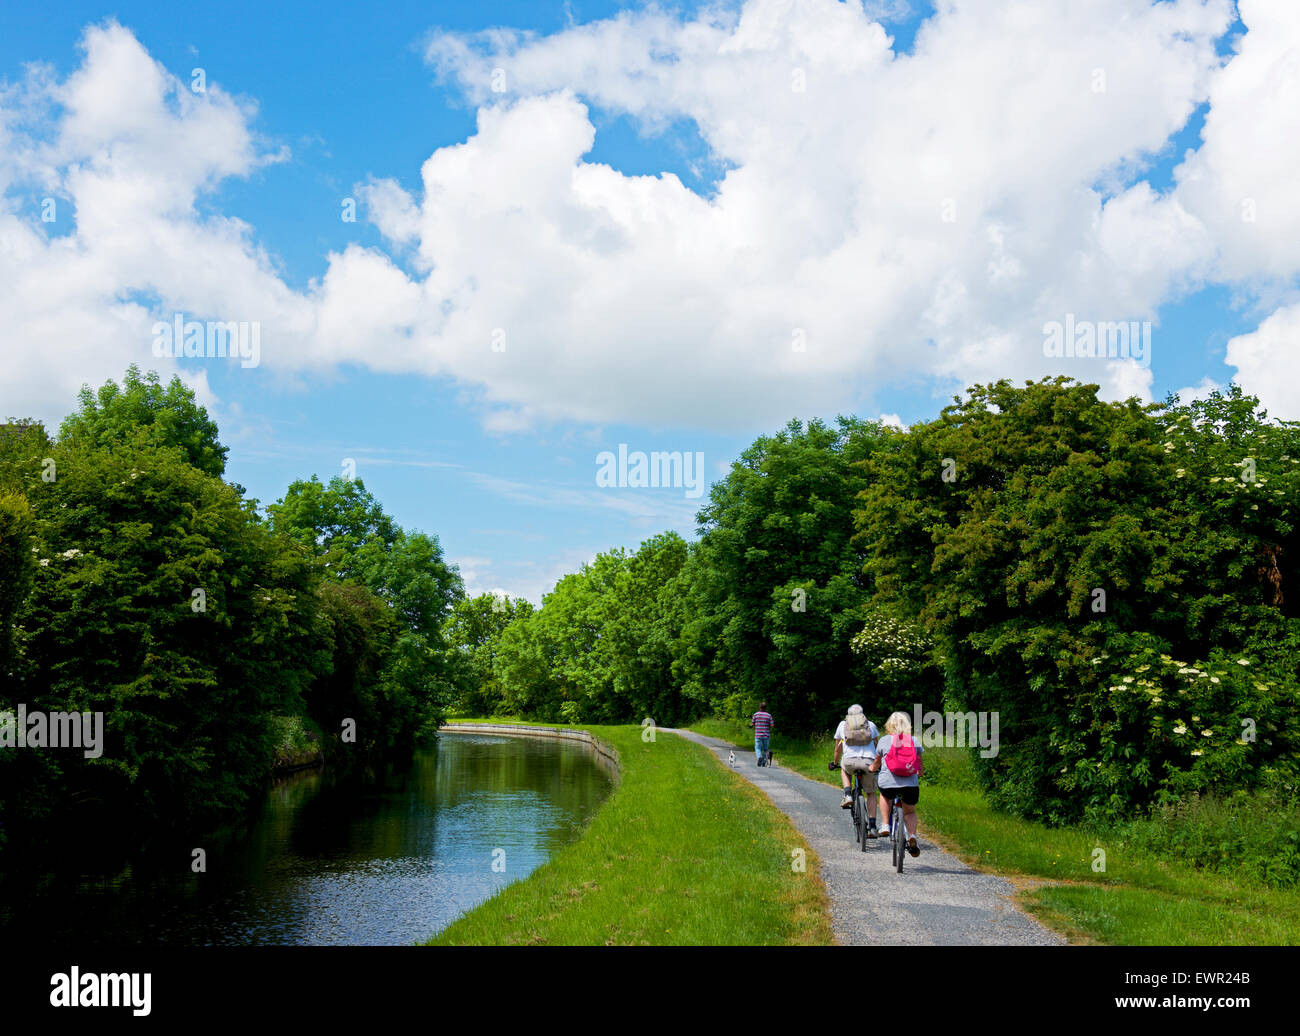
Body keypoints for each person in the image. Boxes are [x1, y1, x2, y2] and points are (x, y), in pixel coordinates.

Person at [871, 710, 924, 857]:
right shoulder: (913, 740)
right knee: (910, 811)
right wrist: (920, 772)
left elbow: (877, 761)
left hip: (889, 783)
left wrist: (872, 768)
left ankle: (885, 825)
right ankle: (912, 836)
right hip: (910, 785)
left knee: (885, 795)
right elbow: (919, 763)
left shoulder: (884, 740)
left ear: (889, 725)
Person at [830, 704, 880, 837]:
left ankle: (847, 794)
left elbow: (838, 749)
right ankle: (873, 826)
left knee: (844, 769)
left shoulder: (842, 725)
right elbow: (877, 746)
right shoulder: (871, 725)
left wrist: (834, 763)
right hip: (869, 762)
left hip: (850, 761)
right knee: (871, 793)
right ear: (862, 714)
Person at [749, 702, 773, 766]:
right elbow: (772, 725)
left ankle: (759, 757)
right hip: (766, 735)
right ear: (766, 708)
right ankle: (763, 762)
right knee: (765, 749)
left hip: (758, 735)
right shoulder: (769, 715)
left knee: (757, 748)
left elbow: (752, 723)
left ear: (760, 707)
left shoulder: (755, 714)